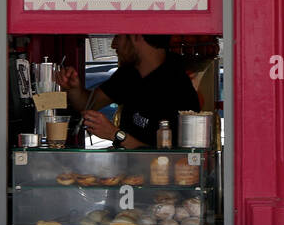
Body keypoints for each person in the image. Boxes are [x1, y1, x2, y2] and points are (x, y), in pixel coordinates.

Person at [57, 34, 199, 149]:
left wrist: (115, 134)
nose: (113, 44)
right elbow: (87, 104)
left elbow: (169, 158)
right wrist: (73, 88)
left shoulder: (178, 87)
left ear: (136, 35)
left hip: (156, 180)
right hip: (127, 173)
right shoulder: (129, 73)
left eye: (118, 36)